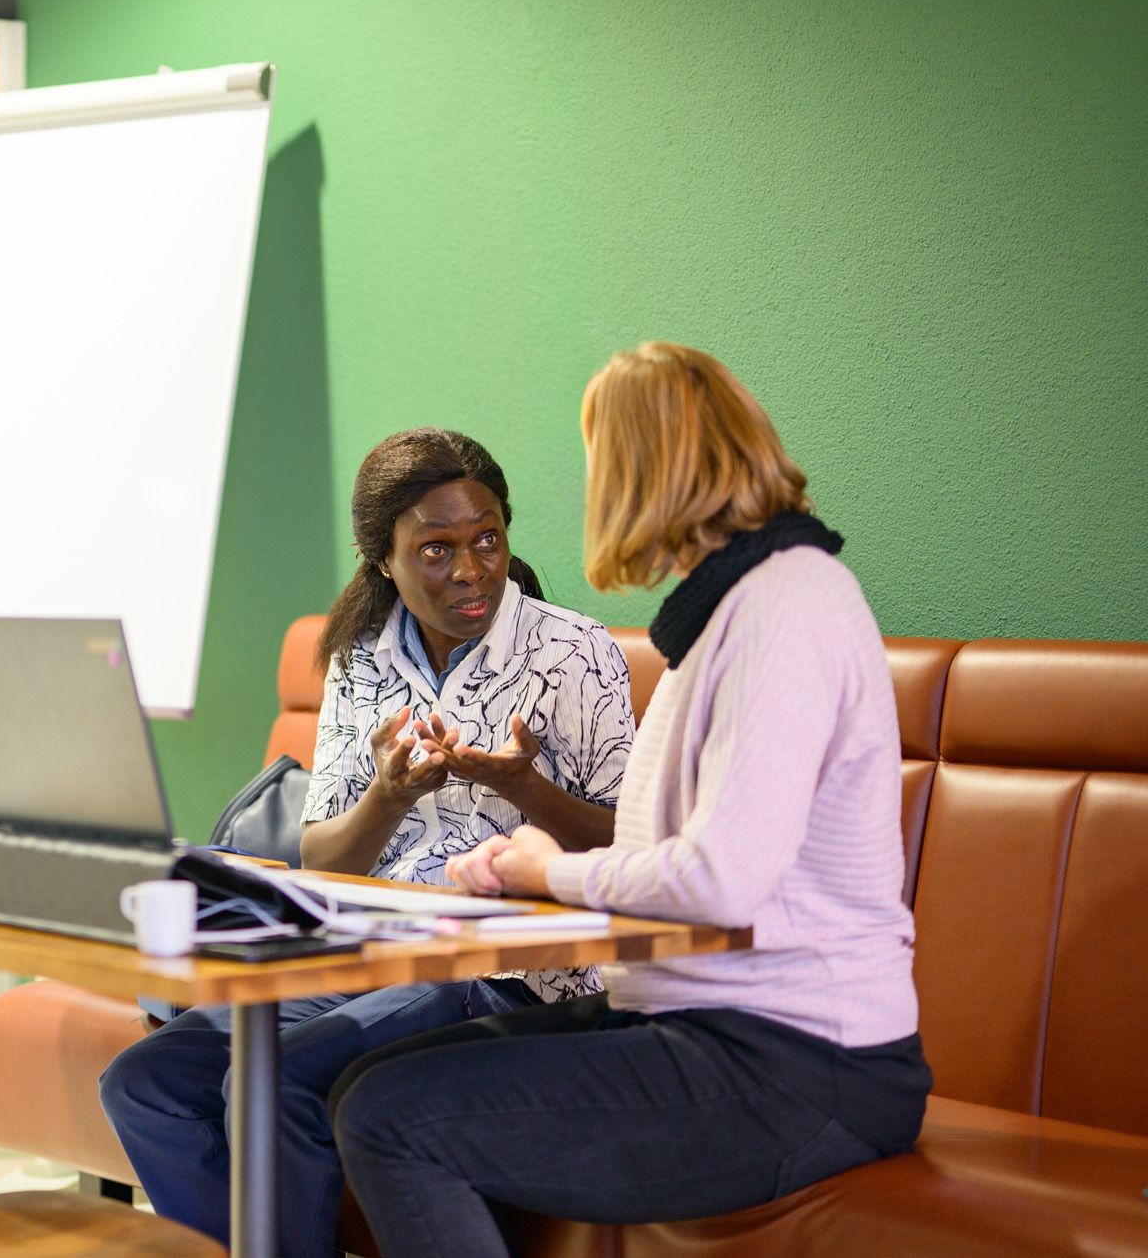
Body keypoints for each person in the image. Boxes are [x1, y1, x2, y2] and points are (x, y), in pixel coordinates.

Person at [330, 344, 934, 1258]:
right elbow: (674, 848)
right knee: (362, 1081)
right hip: (700, 1022)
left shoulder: (787, 606)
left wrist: (550, 867)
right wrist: (515, 864)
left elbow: (719, 879)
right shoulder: (734, 609)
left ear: (645, 470)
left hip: (802, 1060)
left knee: (388, 1116)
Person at [99, 427, 636, 1257]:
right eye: (436, 548)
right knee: (147, 1080)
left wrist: (520, 784)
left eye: (487, 537)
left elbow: (627, 843)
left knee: (268, 1084)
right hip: (370, 952)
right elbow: (327, 859)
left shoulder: (575, 653)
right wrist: (387, 793)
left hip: (508, 971)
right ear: (383, 559)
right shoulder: (360, 659)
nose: (471, 569)